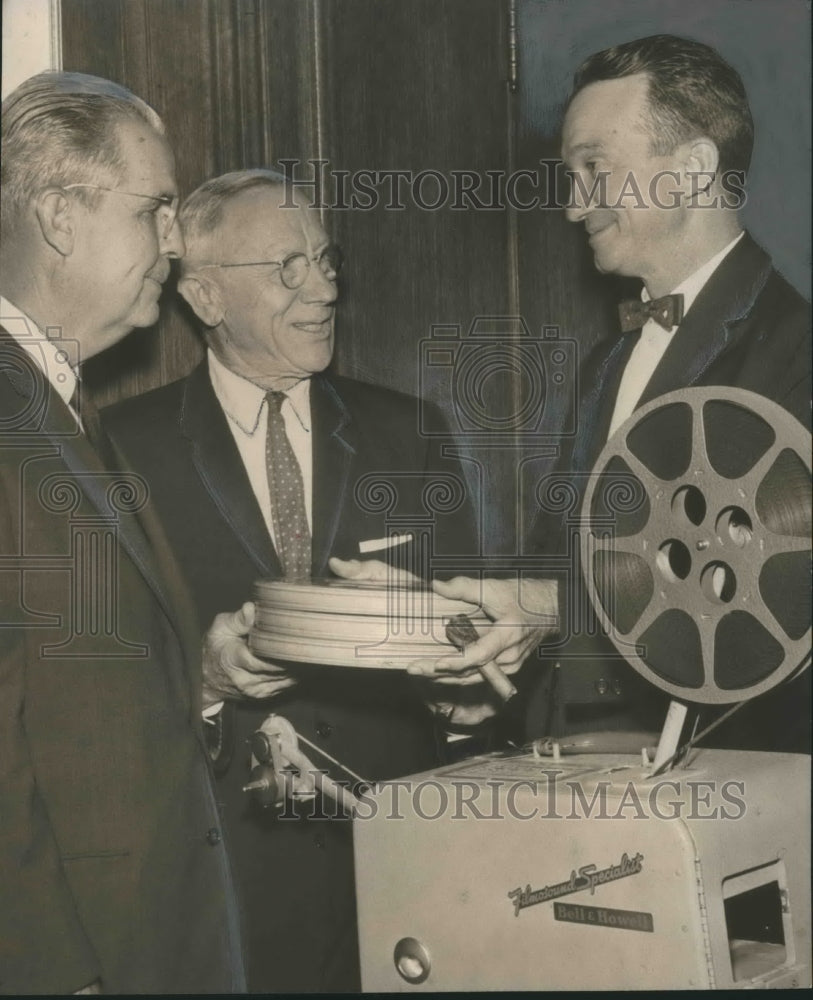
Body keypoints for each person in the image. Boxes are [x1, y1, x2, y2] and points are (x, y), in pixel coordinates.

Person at [101, 169, 476, 992]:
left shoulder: (409, 431)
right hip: (223, 867)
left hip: (397, 858)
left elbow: (473, 635)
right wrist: (203, 682)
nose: (324, 287)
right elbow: (97, 690)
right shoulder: (119, 450)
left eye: (325, 258)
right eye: (286, 268)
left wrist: (467, 684)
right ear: (202, 295)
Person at [401, 34, 811, 752]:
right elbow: (563, 565)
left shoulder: (798, 350)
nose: (570, 207)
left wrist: (545, 607)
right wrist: (488, 650)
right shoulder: (607, 363)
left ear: (691, 169)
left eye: (594, 169)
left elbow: (761, 586)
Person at [0, 71, 252, 994]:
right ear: (62, 216)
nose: (177, 244)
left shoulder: (60, 404)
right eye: (156, 209)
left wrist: (205, 678)